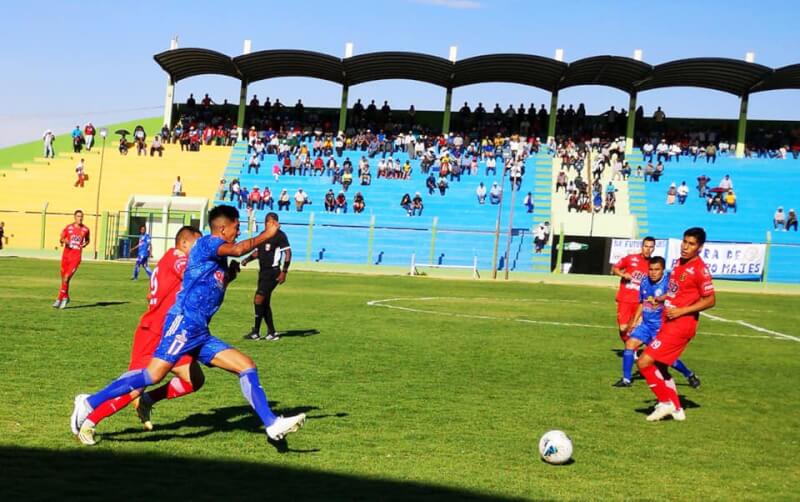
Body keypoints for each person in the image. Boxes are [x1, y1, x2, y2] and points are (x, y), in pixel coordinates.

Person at [71, 205, 307, 443]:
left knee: (245, 366)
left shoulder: (217, 262)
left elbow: (208, 286)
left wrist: (228, 279)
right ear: (222, 228)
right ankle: (89, 403)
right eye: (236, 227)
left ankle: (272, 424)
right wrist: (267, 235)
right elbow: (237, 249)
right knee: (152, 375)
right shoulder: (206, 243)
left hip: (200, 333)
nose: (239, 231)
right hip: (182, 324)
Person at [76, 227, 205, 444]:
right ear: (184, 243)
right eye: (197, 245)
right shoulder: (176, 256)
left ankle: (148, 400)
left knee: (194, 380)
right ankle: (88, 421)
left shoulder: (170, 261)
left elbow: (152, 294)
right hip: (153, 333)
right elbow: (188, 274)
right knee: (134, 387)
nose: (200, 249)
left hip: (171, 332)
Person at [637, 227, 715, 422]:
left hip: (681, 324)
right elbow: (676, 293)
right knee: (661, 367)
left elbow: (710, 300)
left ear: (700, 247)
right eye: (684, 242)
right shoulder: (679, 263)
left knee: (644, 361)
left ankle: (666, 402)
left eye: (691, 244)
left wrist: (681, 311)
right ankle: (677, 409)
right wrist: (661, 299)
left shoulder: (699, 269)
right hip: (668, 320)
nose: (685, 247)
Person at [613, 256, 700, 389]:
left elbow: (677, 294)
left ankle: (689, 374)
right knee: (630, 344)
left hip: (661, 327)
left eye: (657, 269)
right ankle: (626, 379)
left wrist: (661, 298)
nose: (653, 272)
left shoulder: (668, 283)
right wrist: (634, 322)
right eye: (651, 269)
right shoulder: (644, 282)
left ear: (663, 270)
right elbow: (642, 303)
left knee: (666, 359)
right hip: (646, 325)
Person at [242, 213, 291, 342]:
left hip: (273, 272)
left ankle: (256, 332)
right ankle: (272, 333)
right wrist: (247, 259)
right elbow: (258, 251)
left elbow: (288, 253)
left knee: (258, 299)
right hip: (263, 272)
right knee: (264, 302)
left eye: (270, 222)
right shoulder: (264, 235)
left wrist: (284, 271)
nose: (268, 225)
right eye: (266, 222)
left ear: (274, 222)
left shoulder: (280, 235)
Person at [611, 237, 655, 344]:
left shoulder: (653, 265)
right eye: (646, 246)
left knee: (638, 326)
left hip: (641, 301)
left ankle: (635, 348)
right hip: (625, 299)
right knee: (623, 328)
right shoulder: (631, 258)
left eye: (651, 247)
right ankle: (629, 343)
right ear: (642, 246)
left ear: (654, 248)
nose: (648, 249)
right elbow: (615, 268)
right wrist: (623, 274)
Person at [54, 210, 90, 309]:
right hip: (66, 256)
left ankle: (61, 299)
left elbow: (87, 240)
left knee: (66, 278)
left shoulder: (86, 229)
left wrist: (85, 244)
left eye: (82, 216)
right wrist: (65, 241)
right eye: (78, 216)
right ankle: (65, 296)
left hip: (76, 257)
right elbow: (61, 238)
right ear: (74, 217)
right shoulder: (68, 227)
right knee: (64, 279)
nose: (80, 218)